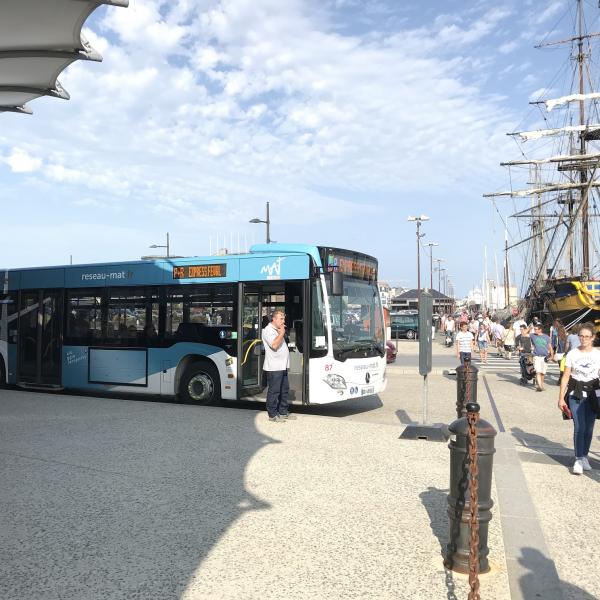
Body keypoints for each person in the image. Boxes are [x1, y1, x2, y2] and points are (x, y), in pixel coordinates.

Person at [558, 322, 600, 475]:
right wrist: (561, 398)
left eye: (587, 337)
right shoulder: (572, 354)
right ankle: (578, 458)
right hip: (575, 393)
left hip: (594, 394)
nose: (583, 339)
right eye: (581, 336)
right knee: (579, 426)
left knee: (589, 428)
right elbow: (565, 377)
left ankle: (584, 456)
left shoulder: (598, 354)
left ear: (593, 338)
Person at [262, 310, 296, 422]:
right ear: (274, 319)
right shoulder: (268, 330)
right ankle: (272, 415)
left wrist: (281, 332)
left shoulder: (277, 329)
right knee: (274, 391)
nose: (283, 321)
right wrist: (282, 333)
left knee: (284, 390)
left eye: (283, 319)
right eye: (281, 319)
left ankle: (283, 412)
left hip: (282, 366)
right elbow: (274, 346)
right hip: (274, 367)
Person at [530, 323, 554, 391]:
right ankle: (540, 386)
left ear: (540, 330)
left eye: (536, 329)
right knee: (538, 371)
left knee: (543, 373)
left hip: (545, 357)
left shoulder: (546, 337)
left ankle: (541, 385)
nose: (534, 330)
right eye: (534, 329)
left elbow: (550, 346)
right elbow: (524, 333)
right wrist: (530, 328)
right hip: (536, 356)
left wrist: (552, 355)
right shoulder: (532, 335)